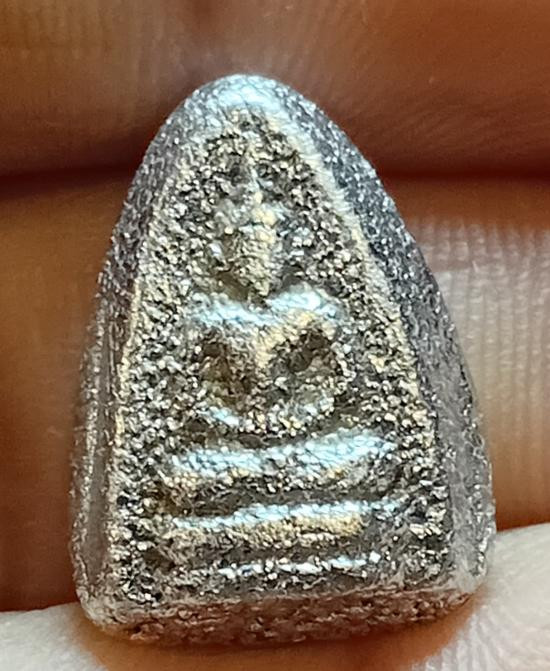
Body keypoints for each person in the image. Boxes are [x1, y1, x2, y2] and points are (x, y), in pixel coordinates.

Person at [1, 2, 549, 669]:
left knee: (367, 461)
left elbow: (342, 394)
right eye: (242, 242)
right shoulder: (210, 319)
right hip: (231, 462)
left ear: (285, 246)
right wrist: (237, 424)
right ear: (225, 248)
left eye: (266, 241)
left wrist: (297, 426)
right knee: (185, 485)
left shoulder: (314, 311)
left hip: (312, 455)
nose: (255, 253)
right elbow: (188, 407)